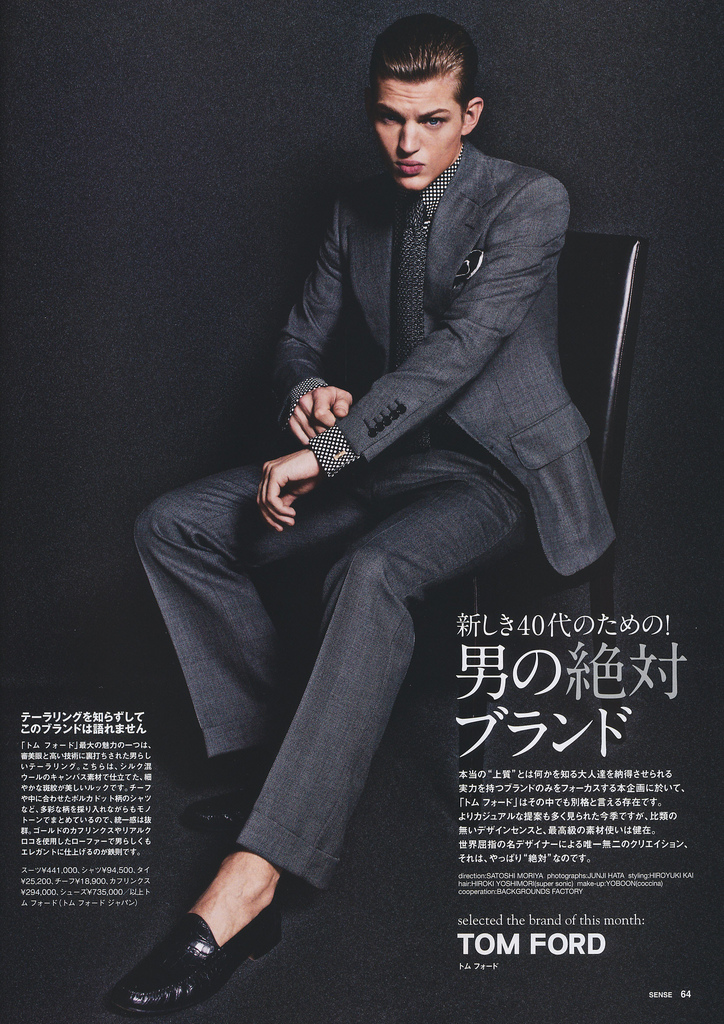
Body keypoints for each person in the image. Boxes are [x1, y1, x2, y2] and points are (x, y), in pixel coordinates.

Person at [110, 13, 613, 1014]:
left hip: (497, 479)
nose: (407, 143)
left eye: (431, 119)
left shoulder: (528, 201)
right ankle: (277, 770)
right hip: (391, 461)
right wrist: (309, 395)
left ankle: (252, 882)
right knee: (173, 525)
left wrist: (331, 450)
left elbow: (458, 354)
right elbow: (297, 341)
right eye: (389, 118)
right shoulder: (357, 210)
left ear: (470, 114)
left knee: (372, 570)